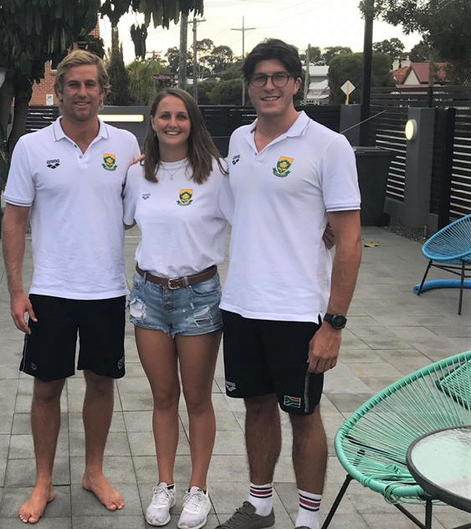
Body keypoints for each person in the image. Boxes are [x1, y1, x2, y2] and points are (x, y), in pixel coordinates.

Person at [216, 39, 362, 529]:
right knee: (256, 408)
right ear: (249, 86)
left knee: (303, 415)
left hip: (298, 312)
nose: (270, 85)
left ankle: (308, 518)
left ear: (297, 83)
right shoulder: (238, 141)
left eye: (280, 76)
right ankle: (259, 506)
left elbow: (350, 239)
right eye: (260, 77)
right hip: (240, 305)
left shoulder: (328, 145)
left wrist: (333, 323)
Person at [2, 49, 141, 524]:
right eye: (73, 85)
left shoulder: (125, 146)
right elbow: (14, 219)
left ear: (103, 91)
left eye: (91, 85)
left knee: (101, 383)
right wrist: (17, 290)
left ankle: (93, 473)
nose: (83, 93)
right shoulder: (31, 148)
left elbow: (156, 199)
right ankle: (44, 482)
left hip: (107, 290)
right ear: (57, 92)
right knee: (47, 386)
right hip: (51, 291)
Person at [122, 88, 230, 529]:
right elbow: (120, 218)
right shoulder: (136, 176)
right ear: (151, 122)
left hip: (198, 297)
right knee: (163, 397)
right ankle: (164, 485)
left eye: (181, 116)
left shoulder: (217, 173)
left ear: (192, 123)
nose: (172, 123)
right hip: (149, 295)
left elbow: (260, 212)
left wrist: (320, 225)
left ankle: (198, 489)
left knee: (198, 399)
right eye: (164, 115)